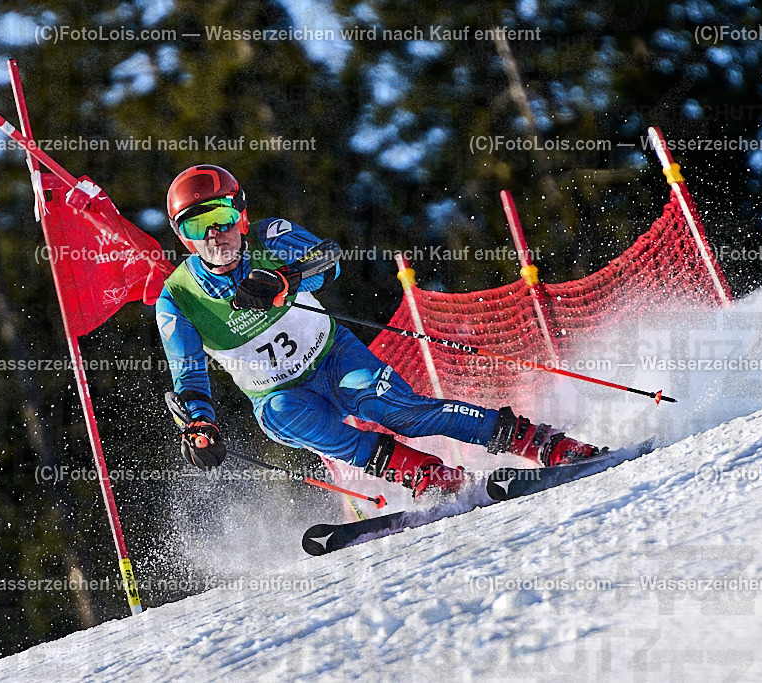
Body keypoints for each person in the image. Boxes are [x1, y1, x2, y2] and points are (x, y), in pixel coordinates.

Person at [155, 164, 602, 499]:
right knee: (285, 417)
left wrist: (287, 280)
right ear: (184, 238)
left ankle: (542, 443)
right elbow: (189, 374)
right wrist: (199, 424)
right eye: (196, 225)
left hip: (333, 357)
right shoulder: (177, 299)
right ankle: (430, 475)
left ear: (241, 213)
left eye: (221, 215)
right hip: (280, 394)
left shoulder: (271, 236)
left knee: (399, 411)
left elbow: (330, 259)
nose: (215, 233)